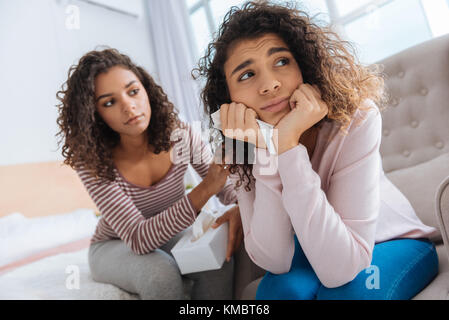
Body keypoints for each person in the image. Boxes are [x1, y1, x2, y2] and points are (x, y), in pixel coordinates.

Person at [196, 1, 439, 300]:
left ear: (304, 65)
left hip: (390, 241)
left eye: (282, 61)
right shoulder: (242, 144)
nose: (270, 85)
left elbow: (341, 268)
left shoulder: (356, 117)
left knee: (347, 296)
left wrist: (287, 146)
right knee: (277, 292)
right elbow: (275, 260)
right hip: (313, 249)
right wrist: (267, 150)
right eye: (247, 75)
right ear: (228, 96)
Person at [56, 48, 243, 299]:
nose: (129, 106)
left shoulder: (182, 135)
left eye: (133, 91)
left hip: (170, 234)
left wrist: (242, 206)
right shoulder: (93, 163)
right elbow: (138, 239)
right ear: (95, 114)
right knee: (160, 272)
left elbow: (228, 191)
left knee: (217, 259)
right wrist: (205, 189)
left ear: (146, 90)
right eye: (109, 102)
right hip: (114, 244)